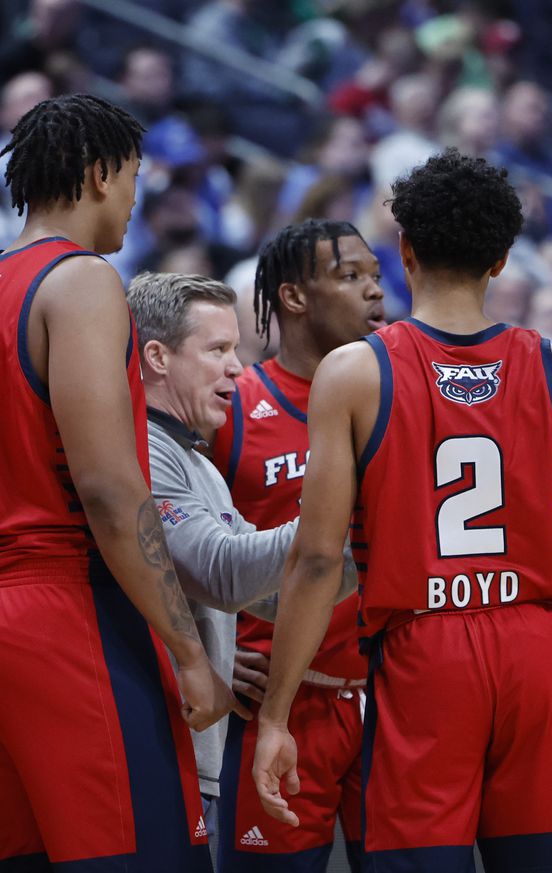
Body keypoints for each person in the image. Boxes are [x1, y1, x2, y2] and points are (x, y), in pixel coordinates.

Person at [252, 150, 552, 873]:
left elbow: (319, 557)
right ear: (503, 260)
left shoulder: (355, 370)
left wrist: (275, 713)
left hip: (426, 655)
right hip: (537, 652)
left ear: (405, 249)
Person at [0, 94, 225, 872]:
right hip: (57, 609)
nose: (135, 199)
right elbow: (106, 488)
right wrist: (189, 650)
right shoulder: (82, 279)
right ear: (98, 174)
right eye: (133, 177)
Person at [208, 219, 385, 872]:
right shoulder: (234, 406)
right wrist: (206, 650)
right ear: (293, 297)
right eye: (350, 276)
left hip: (391, 699)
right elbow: (165, 543)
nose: (375, 292)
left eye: (375, 275)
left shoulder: (399, 395)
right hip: (278, 702)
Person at [128, 270, 327, 835]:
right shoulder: (142, 448)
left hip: (191, 752)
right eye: (217, 349)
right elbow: (223, 574)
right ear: (158, 357)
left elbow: (265, 593)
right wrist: (340, 515)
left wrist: (360, 550)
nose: (238, 368)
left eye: (236, 350)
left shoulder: (198, 464)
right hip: (156, 749)